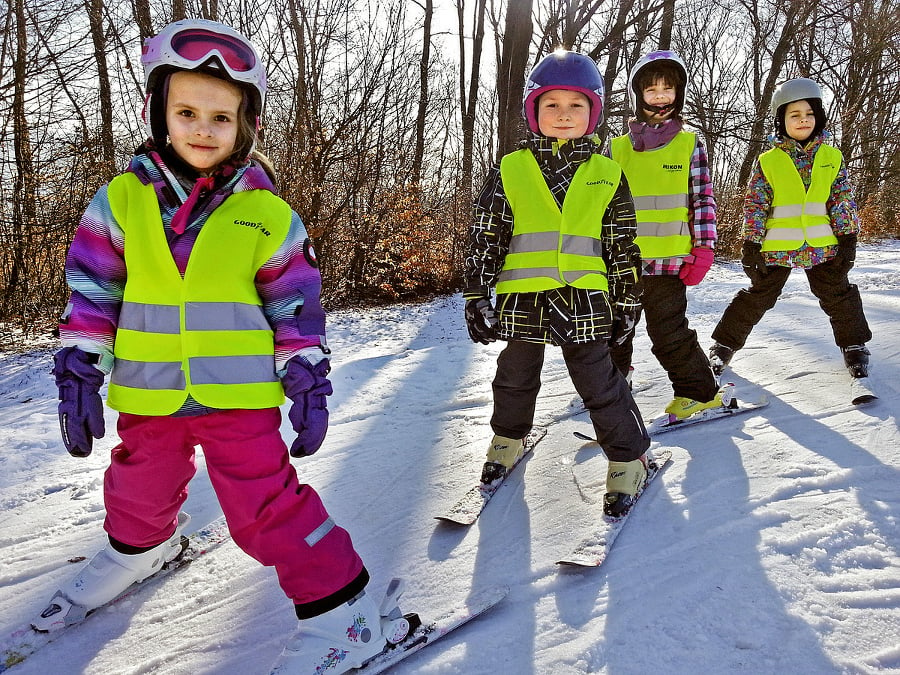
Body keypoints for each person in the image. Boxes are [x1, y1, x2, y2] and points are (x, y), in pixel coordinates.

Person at [40, 19, 410, 673]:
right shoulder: (121, 202)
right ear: (159, 113)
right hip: (149, 391)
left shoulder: (266, 214)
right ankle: (139, 548)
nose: (203, 128)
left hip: (239, 397)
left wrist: (306, 373)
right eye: (186, 111)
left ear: (247, 126)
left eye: (221, 115)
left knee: (263, 509)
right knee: (136, 486)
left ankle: (344, 614)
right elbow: (93, 290)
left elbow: (295, 305)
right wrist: (78, 364)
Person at [464, 48, 651, 517]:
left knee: (598, 380)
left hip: (584, 299)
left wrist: (629, 303)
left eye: (576, 106)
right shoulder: (510, 168)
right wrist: (475, 295)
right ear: (533, 111)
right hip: (522, 298)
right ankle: (508, 438)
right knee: (513, 376)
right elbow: (486, 236)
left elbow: (623, 244)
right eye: (552, 105)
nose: (563, 115)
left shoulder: (607, 173)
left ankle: (629, 458)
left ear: (593, 113)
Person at [708, 77, 872, 380]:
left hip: (822, 243)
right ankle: (723, 345)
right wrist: (751, 243)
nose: (803, 120)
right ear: (781, 120)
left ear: (818, 117)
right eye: (794, 115)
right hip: (777, 244)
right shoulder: (769, 161)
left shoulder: (831, 157)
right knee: (758, 295)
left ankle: (854, 345)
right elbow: (756, 203)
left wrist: (848, 239)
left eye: (809, 114)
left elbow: (842, 200)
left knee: (838, 293)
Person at [607, 50, 724, 420]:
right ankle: (613, 382)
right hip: (622, 263)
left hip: (671, 262)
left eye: (667, 88)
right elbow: (602, 204)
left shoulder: (690, 144)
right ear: (638, 94)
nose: (659, 96)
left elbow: (703, 198)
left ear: (678, 93)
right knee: (613, 330)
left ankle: (699, 393)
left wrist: (704, 249)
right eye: (652, 88)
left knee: (669, 334)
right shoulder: (616, 148)